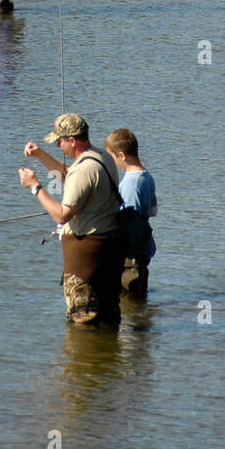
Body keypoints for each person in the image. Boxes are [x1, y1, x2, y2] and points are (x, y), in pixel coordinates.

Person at [19, 114, 123, 326]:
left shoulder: (83, 170)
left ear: (72, 140)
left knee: (83, 325)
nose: (58, 145)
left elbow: (61, 215)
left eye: (59, 141)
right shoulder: (101, 157)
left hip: (86, 261)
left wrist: (35, 187)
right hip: (110, 254)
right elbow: (70, 176)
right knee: (107, 322)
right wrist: (40, 154)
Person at [105, 128, 157, 299]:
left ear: (121, 155)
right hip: (144, 248)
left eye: (111, 157)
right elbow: (153, 210)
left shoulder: (131, 184)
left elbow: (129, 223)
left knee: (128, 305)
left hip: (132, 254)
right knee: (138, 301)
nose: (110, 162)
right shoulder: (146, 176)